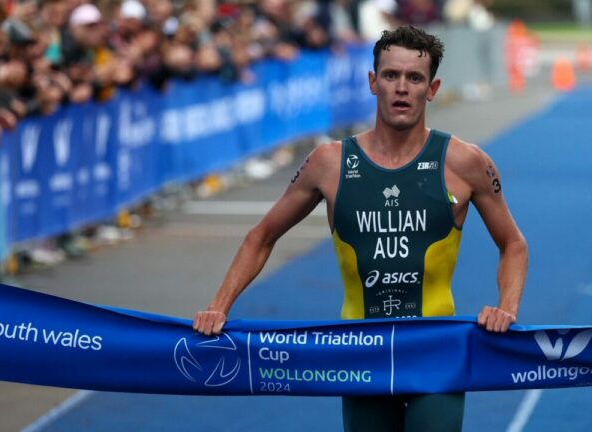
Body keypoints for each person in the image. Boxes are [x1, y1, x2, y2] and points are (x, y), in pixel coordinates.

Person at [193, 25, 528, 432]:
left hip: (434, 350)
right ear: (373, 82)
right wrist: (218, 306)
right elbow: (261, 236)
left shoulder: (465, 162)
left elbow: (512, 243)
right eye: (391, 76)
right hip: (359, 351)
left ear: (433, 88)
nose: (401, 88)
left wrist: (506, 308)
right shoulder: (330, 163)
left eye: (414, 78)